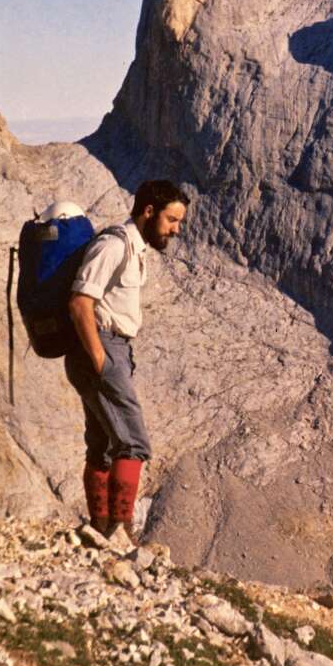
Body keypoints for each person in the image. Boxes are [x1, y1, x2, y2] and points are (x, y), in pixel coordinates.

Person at [65, 179, 189, 541]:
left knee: (102, 444)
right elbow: (79, 302)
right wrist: (101, 360)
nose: (176, 229)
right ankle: (121, 531)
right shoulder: (114, 244)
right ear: (148, 211)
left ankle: (101, 531)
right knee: (133, 442)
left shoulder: (135, 248)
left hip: (109, 349)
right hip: (100, 347)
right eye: (171, 220)